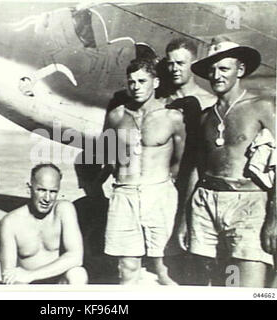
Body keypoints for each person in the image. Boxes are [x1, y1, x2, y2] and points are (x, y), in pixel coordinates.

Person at [177, 36, 276, 287]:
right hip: (205, 203)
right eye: (211, 70)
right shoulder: (205, 117)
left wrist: (274, 220)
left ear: (240, 70)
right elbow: (197, 171)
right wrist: (185, 220)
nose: (216, 75)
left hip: (249, 203)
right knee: (202, 286)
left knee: (247, 287)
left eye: (224, 68)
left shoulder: (262, 107)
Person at [97, 57, 187, 285]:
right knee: (127, 266)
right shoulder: (116, 116)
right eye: (131, 82)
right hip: (124, 193)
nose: (136, 87)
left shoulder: (172, 118)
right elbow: (106, 155)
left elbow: (179, 161)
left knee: (164, 269)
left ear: (155, 82)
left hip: (158, 193)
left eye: (142, 81)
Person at [0, 163, 88, 284]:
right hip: (28, 288)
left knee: (78, 274)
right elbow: (8, 274)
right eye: (41, 190)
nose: (47, 198)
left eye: (53, 192)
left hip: (57, 283)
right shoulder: (10, 222)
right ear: (29, 188)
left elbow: (76, 257)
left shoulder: (64, 210)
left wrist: (31, 275)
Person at [164, 37, 216, 109]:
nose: (174, 68)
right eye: (170, 64)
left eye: (180, 63)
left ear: (193, 65)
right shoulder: (162, 102)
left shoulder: (210, 102)